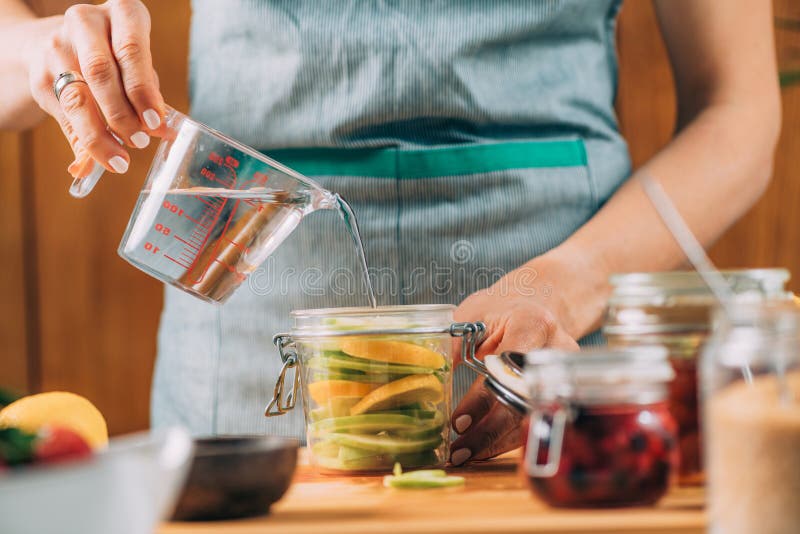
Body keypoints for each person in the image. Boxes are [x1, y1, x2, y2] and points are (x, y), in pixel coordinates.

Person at [0, 0, 780, 466]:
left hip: (547, 363)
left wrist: (566, 284)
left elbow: (739, 113)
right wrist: (43, 51)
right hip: (245, 357)